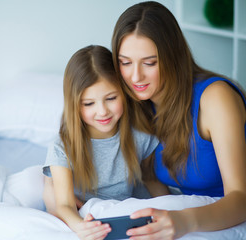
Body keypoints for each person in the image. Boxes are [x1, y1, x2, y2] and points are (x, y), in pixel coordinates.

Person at [111, 1, 246, 239]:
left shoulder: (215, 99)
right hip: (194, 215)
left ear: (172, 56)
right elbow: (152, 180)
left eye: (149, 63)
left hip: (231, 215)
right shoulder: (137, 104)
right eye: (125, 62)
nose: (135, 76)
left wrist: (183, 221)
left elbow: (241, 198)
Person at [42, 45, 159, 240]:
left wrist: (167, 206)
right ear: (74, 105)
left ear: (124, 93)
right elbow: (65, 205)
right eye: (89, 103)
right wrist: (82, 227)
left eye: (111, 98)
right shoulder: (63, 146)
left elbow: (152, 180)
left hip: (123, 211)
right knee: (51, 196)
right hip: (83, 210)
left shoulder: (140, 136)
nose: (103, 111)